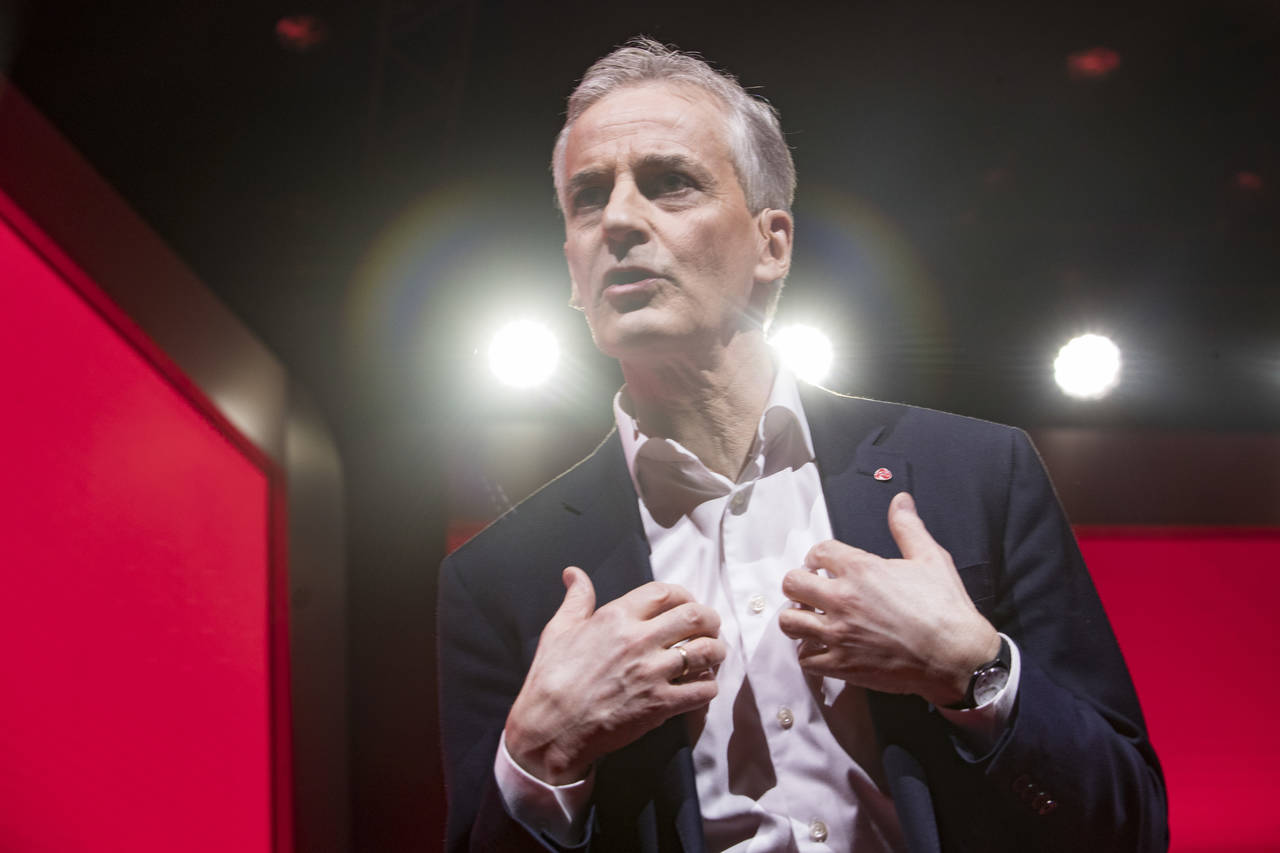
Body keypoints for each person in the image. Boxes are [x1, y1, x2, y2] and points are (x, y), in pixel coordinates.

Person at [438, 38, 1167, 853]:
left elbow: (1128, 824)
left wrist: (974, 672)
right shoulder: (499, 576)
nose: (618, 220)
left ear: (771, 243)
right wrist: (541, 755)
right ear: (573, 276)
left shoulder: (978, 473)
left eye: (669, 182)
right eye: (587, 198)